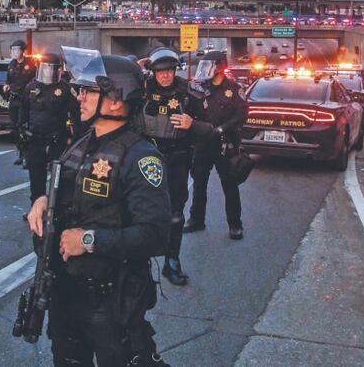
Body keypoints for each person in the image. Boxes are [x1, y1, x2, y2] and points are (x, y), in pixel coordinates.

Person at [27, 49, 170, 366]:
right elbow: (67, 191)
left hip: (110, 300)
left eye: (89, 90)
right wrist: (42, 201)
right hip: (66, 290)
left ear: (116, 99)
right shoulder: (82, 141)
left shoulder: (140, 156)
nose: (79, 97)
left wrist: (89, 240)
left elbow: (156, 234)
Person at [132, 47, 213, 286]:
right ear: (153, 72)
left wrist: (193, 124)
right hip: (146, 160)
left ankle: (172, 260)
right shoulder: (142, 91)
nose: (165, 76)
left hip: (177, 158)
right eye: (160, 72)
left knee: (175, 214)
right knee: (140, 209)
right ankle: (139, 260)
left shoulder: (189, 93)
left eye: (169, 71)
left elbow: (210, 130)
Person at [184, 51, 247, 239]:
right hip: (203, 144)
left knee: (230, 185)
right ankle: (196, 219)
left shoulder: (234, 89)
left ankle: (235, 225)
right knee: (199, 183)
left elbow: (241, 115)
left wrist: (221, 129)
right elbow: (190, 111)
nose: (205, 70)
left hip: (224, 144)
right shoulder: (199, 88)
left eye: (208, 66)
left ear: (220, 67)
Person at [19, 51, 79, 202]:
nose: (47, 72)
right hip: (35, 139)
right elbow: (23, 111)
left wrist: (74, 137)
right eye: (44, 68)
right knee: (36, 176)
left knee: (59, 176)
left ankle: (57, 208)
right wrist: (22, 130)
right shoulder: (31, 87)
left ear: (58, 70)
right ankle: (36, 206)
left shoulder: (65, 89)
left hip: (57, 139)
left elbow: (76, 114)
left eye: (51, 68)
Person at [5, 40, 37, 167]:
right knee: (15, 128)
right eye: (13, 50)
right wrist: (7, 86)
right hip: (14, 100)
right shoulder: (11, 64)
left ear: (23, 51)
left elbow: (34, 81)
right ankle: (20, 152)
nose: (15, 52)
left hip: (25, 100)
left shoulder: (31, 64)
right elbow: (8, 79)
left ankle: (27, 155)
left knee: (25, 127)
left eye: (17, 50)